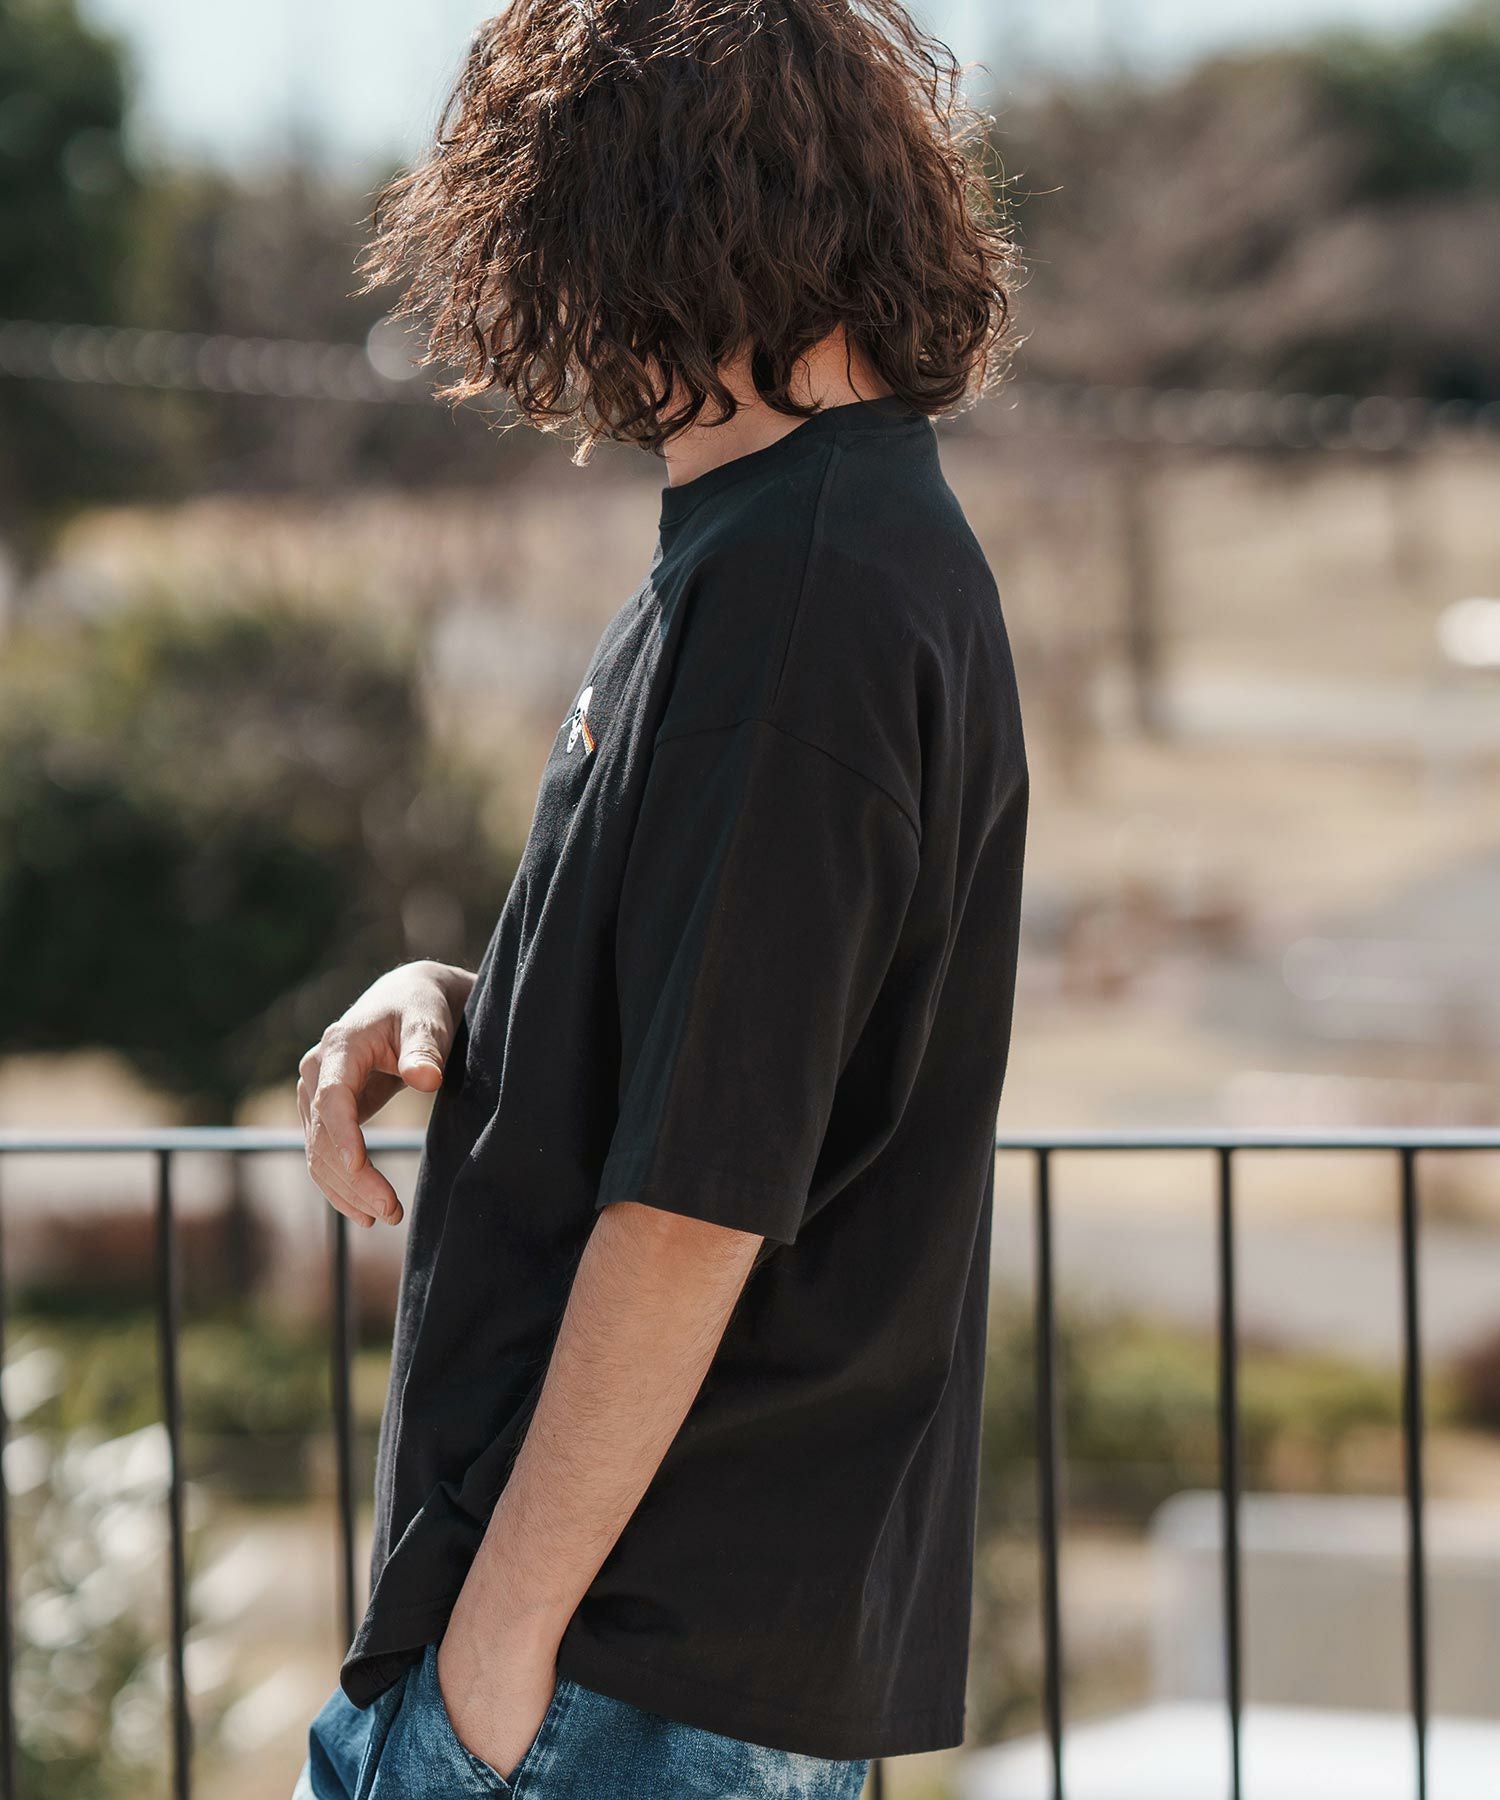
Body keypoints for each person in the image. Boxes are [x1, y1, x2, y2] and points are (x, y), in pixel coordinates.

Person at [293, 1, 1026, 1794]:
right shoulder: (804, 547)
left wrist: (498, 1653)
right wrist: (460, 1005)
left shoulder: (803, 598)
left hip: (612, 1677)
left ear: (633, 223)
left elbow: (704, 1193)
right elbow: (743, 1040)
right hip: (635, 1674)